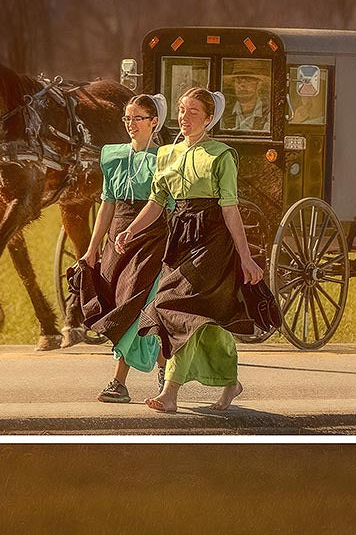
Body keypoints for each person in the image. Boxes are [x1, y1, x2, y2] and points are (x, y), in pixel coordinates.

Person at [116, 87, 264, 413]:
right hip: (181, 237)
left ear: (209, 119)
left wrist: (245, 256)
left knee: (173, 305)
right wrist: (130, 229)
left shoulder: (221, 156)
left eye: (194, 111)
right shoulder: (167, 154)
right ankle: (230, 383)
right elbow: (156, 202)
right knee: (203, 319)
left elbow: (230, 209)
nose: (185, 117)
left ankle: (170, 392)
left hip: (213, 240)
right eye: (182, 110)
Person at [78, 94, 169, 403]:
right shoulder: (114, 156)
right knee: (121, 303)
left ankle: (119, 381)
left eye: (137, 118)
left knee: (136, 304)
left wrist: (134, 230)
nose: (131, 124)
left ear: (154, 122)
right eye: (127, 119)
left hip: (150, 236)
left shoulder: (164, 160)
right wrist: (93, 248)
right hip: (118, 237)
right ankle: (162, 366)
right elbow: (107, 204)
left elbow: (160, 205)